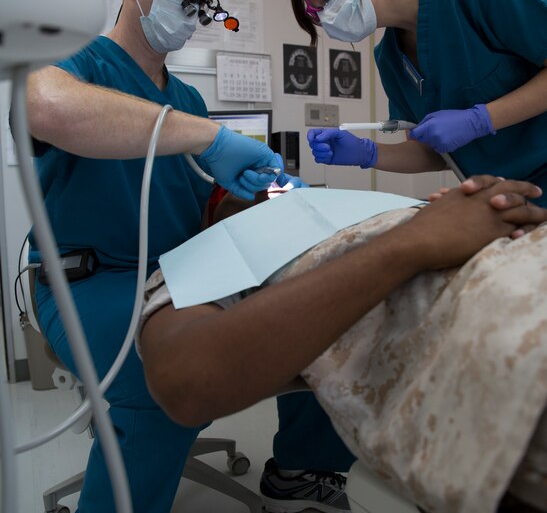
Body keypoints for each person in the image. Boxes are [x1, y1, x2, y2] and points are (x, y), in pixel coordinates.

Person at [25, 0, 353, 513]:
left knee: (328, 298)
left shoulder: (192, 105)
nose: (199, 13)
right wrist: (209, 138)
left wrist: (273, 194)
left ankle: (300, 470)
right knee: (157, 380)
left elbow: (201, 202)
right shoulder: (73, 57)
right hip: (87, 283)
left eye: (208, 1)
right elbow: (46, 110)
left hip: (181, 275)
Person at [138, 175, 547, 425]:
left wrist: (466, 211)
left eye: (280, 183)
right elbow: (184, 384)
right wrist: (414, 242)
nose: (272, 186)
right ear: (210, 218)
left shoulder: (368, 210)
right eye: (239, 187)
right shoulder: (200, 264)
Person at [289, 0, 547, 204]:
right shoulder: (389, 58)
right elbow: (435, 151)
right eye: (318, 14)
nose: (328, 17)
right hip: (504, 200)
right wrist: (367, 152)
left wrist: (480, 120)